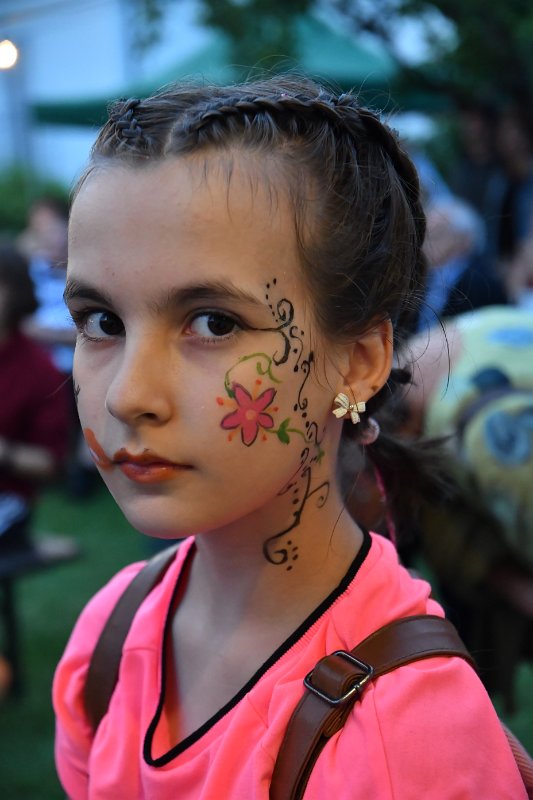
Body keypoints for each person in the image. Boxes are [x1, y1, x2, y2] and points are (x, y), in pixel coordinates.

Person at [52, 77, 527, 798]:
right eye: (102, 321)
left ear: (358, 361)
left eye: (213, 322)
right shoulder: (110, 638)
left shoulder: (406, 736)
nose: (128, 395)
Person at [0, 242, 71, 552]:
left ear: (15, 293)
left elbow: (50, 462)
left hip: (8, 500)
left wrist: (4, 453)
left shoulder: (38, 370)